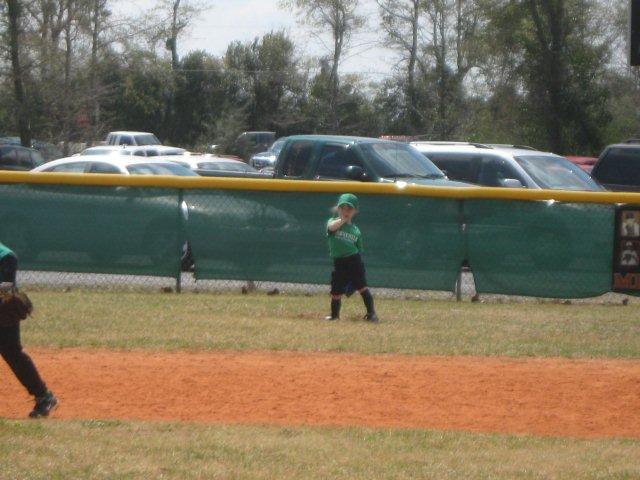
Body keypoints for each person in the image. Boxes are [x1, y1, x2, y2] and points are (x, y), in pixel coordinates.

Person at [0, 241, 58, 418]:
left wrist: (4, 294)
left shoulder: (5, 257)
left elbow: (6, 287)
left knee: (11, 351)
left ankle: (44, 397)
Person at [325, 193, 379, 322]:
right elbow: (331, 228)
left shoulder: (355, 230)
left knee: (362, 287)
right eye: (342, 207)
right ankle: (334, 316)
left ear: (355, 211)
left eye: (349, 208)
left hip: (353, 261)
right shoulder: (332, 222)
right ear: (338, 209)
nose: (345, 211)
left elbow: (358, 249)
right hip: (339, 262)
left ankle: (371, 314)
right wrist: (342, 220)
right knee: (336, 290)